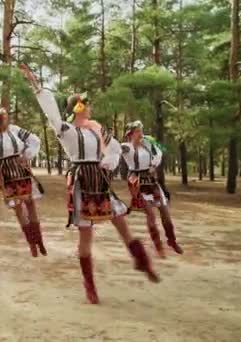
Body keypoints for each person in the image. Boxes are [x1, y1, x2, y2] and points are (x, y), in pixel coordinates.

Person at [20, 64, 160, 304]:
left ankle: (142, 261)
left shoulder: (97, 129)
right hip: (82, 181)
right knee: (86, 236)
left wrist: (109, 161)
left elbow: (115, 149)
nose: (91, 106)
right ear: (79, 107)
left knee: (121, 223)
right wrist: (36, 84)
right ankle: (90, 286)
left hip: (99, 179)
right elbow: (51, 112)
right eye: (87, 103)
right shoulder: (65, 130)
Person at [0, 108, 47, 257]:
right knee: (18, 208)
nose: (7, 120)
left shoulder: (15, 129)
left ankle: (39, 241)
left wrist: (27, 155)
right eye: (4, 117)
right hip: (7, 173)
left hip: (21, 170)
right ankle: (31, 243)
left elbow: (35, 140)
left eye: (7, 117)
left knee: (30, 204)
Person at [122, 120, 183, 257]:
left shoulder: (148, 143)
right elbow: (113, 149)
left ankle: (171, 241)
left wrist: (154, 164)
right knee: (150, 215)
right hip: (137, 181)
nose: (141, 133)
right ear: (130, 134)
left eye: (141, 130)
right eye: (137, 131)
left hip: (151, 180)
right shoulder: (126, 147)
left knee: (165, 212)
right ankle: (158, 246)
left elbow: (160, 152)